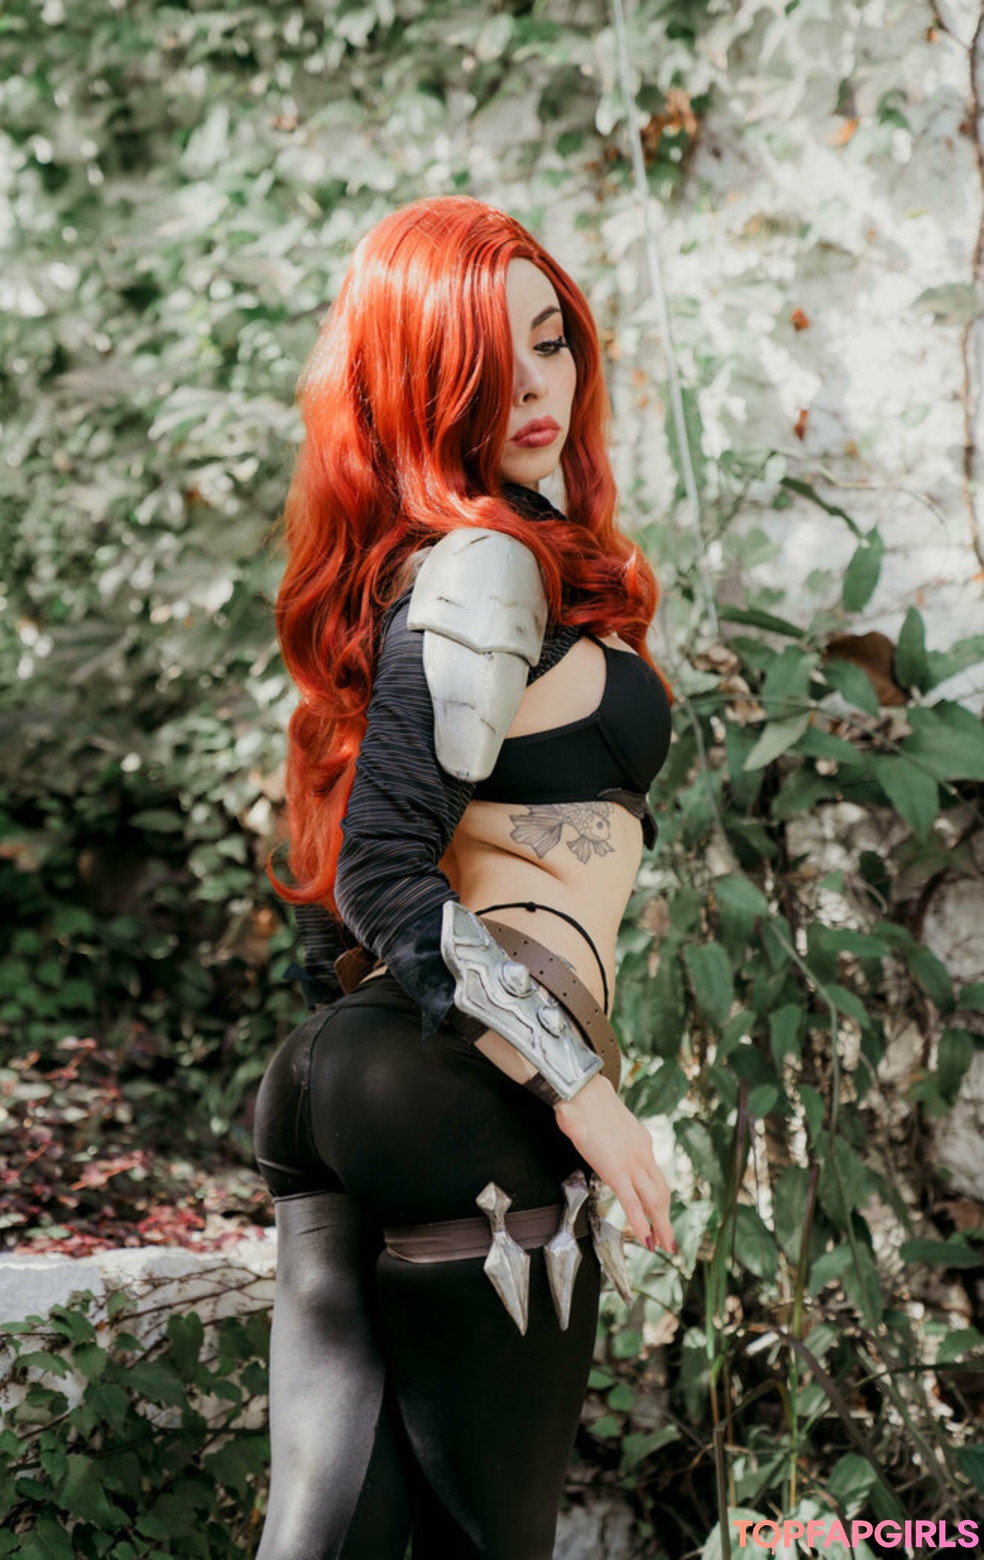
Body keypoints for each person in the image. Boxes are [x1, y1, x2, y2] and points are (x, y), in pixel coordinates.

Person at [253, 194, 677, 1560]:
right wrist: (581, 1088)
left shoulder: (452, 561)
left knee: (331, 1537)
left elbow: (351, 883)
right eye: (487, 363)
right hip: (465, 1084)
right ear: (420, 384)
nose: (536, 386)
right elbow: (382, 869)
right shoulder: (488, 563)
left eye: (550, 342)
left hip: (353, 1081)